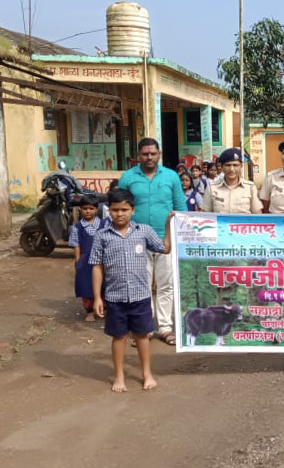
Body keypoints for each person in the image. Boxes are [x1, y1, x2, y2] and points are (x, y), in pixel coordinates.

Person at [90, 189, 170, 392]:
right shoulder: (102, 236)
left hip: (141, 296)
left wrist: (170, 224)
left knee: (143, 336)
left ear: (133, 210)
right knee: (119, 337)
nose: (120, 214)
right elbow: (97, 266)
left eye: (124, 209)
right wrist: (98, 297)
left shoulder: (144, 231)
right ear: (109, 211)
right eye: (115, 210)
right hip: (115, 298)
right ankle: (119, 376)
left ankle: (147, 374)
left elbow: (165, 248)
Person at [118, 138, 187, 346]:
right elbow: (120, 205)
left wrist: (181, 233)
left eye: (153, 154)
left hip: (166, 239)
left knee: (166, 284)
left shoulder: (171, 176)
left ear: (159, 154)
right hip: (136, 239)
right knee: (142, 286)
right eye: (145, 154)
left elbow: (181, 206)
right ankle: (143, 328)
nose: (149, 157)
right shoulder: (128, 177)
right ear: (138, 156)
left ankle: (165, 328)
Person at [69, 194, 109, 322]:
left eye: (91, 208)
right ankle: (90, 311)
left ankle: (104, 308)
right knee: (86, 286)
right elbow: (76, 245)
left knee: (105, 285)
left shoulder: (104, 224)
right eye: (85, 208)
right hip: (85, 261)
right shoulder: (77, 227)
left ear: (96, 209)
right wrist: (78, 262)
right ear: (80, 209)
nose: (88, 211)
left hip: (103, 260)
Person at [202, 148, 262, 214]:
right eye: (228, 165)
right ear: (221, 167)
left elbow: (257, 215)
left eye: (235, 165)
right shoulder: (211, 188)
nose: (231, 169)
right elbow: (205, 215)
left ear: (241, 167)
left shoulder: (250, 188)